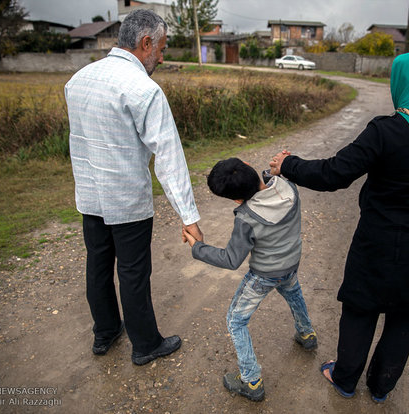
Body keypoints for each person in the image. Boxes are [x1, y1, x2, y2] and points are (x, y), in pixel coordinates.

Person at [269, 51, 409, 402]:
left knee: (361, 308)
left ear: (405, 85)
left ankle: (345, 378)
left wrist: (288, 163)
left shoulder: (388, 131)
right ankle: (381, 387)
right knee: (406, 315)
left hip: (378, 243)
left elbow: (333, 174)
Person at [64, 9, 202, 366]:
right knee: (133, 273)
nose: (162, 56)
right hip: (126, 202)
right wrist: (188, 215)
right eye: (162, 49)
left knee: (97, 265)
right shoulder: (144, 89)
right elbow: (169, 157)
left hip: (90, 197)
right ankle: (145, 344)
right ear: (145, 43)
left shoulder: (78, 80)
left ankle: (105, 332)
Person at [182, 158, 317, 402]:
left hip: (264, 275)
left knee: (236, 320)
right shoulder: (288, 187)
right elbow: (273, 177)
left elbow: (231, 259)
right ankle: (307, 334)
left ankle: (252, 380)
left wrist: (198, 247)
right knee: (293, 292)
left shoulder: (247, 217)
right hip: (290, 264)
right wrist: (273, 169)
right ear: (249, 166)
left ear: (235, 199)